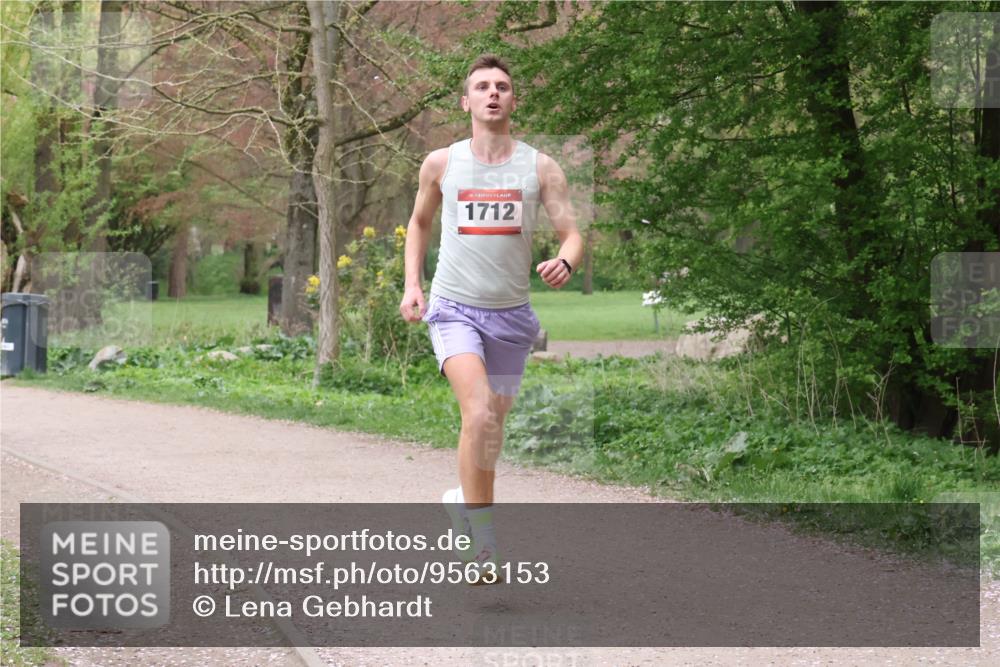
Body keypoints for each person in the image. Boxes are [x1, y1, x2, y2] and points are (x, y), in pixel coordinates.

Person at [399, 54, 583, 582]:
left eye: (502, 86)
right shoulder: (442, 163)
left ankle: (462, 500)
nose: (493, 93)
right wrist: (413, 285)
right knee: (477, 414)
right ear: (467, 102)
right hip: (454, 309)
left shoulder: (540, 167)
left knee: (489, 435)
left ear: (513, 100)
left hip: (511, 319)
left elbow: (572, 232)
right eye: (482, 87)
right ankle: (484, 546)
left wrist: (566, 258)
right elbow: (418, 224)